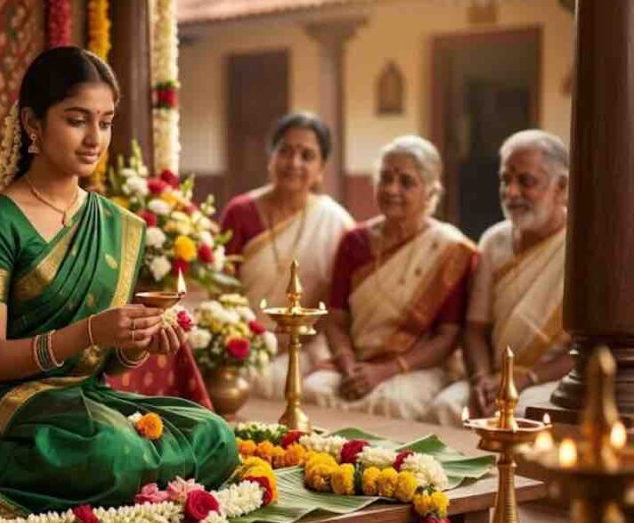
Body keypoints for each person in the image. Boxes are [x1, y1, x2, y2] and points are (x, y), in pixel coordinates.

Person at [0, 47, 237, 518]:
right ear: (33, 124)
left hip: (84, 403)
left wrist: (138, 342)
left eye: (106, 122)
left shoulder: (118, 225)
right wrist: (92, 330)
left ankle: (92, 471)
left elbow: (108, 367)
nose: (95, 138)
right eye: (77, 120)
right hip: (1, 401)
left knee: (214, 435)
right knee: (111, 452)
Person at [303, 135, 476, 420]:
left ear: (431, 192)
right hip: (356, 363)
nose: (392, 189)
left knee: (393, 402)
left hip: (417, 367)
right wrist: (348, 366)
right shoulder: (354, 242)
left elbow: (447, 337)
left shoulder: (450, 249)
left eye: (406, 182)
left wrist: (387, 370)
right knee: (314, 392)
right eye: (385, 178)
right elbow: (335, 318)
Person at [430, 130, 572, 425]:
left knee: (520, 416)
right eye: (505, 180)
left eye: (526, 181)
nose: (511, 192)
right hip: (495, 376)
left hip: (552, 380)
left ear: (562, 186)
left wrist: (524, 380)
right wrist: (481, 379)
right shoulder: (494, 241)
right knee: (445, 408)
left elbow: (592, 348)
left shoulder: (585, 247)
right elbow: (474, 329)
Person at [220, 113, 354, 400]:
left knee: (306, 387)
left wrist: (287, 340)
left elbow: (338, 305)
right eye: (286, 151)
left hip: (307, 342)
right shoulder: (240, 212)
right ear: (271, 156)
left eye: (307, 155)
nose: (294, 163)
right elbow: (222, 292)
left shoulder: (335, 222)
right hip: (245, 339)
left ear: (320, 169)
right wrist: (254, 340)